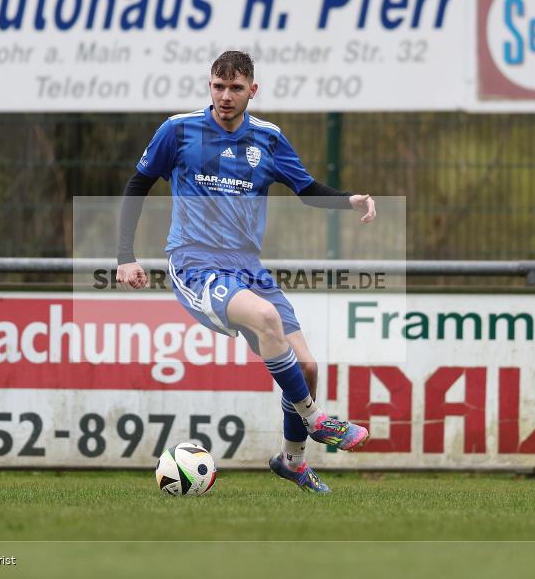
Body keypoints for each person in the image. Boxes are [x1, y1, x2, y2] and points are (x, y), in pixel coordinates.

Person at [116, 51, 376, 493]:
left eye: (236, 88)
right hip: (195, 263)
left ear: (252, 90)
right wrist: (125, 255)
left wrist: (349, 200)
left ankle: (292, 462)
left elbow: (306, 188)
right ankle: (317, 420)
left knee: (306, 367)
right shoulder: (178, 130)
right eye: (218, 87)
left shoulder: (268, 139)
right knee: (267, 319)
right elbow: (138, 183)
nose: (226, 96)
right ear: (209, 86)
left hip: (248, 268)